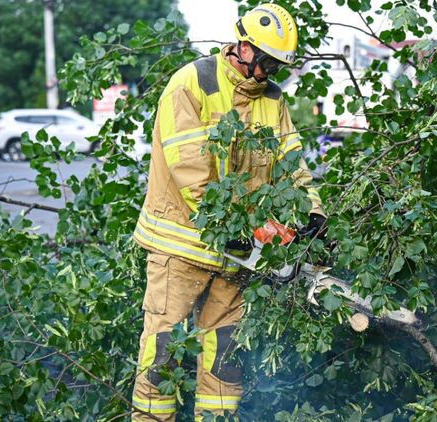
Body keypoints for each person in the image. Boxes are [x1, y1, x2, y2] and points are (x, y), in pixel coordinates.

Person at [130, 4, 325, 421]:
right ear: (243, 47)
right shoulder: (193, 83)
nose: (269, 72)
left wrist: (311, 212)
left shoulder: (272, 99)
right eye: (267, 62)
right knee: (162, 351)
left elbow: (291, 162)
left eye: (277, 66)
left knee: (226, 355)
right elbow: (190, 170)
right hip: (181, 247)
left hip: (236, 255)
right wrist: (227, 228)